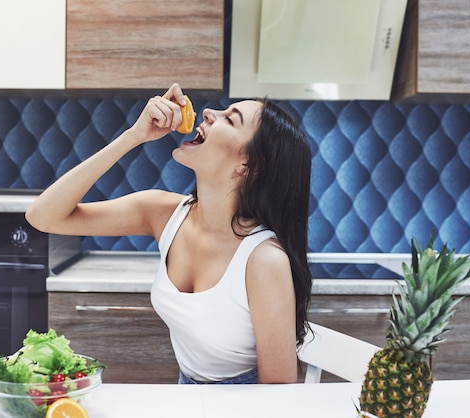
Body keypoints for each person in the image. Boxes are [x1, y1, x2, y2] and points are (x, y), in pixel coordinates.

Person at [26, 83, 313, 384]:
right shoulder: (162, 213)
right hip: (185, 394)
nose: (208, 112)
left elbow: (278, 394)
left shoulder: (264, 260)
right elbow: (42, 216)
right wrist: (134, 136)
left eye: (230, 118)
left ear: (249, 164)